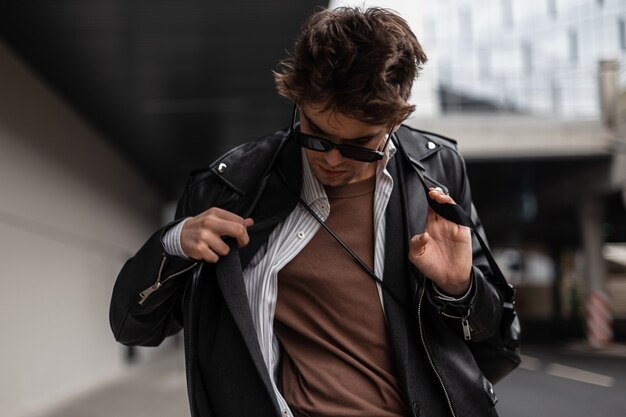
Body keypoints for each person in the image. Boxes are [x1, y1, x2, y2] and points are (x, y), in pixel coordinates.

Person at [110, 7, 508, 417]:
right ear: (297, 101)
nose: (333, 159)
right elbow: (133, 327)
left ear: (395, 120)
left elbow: (497, 335)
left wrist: (460, 287)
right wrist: (174, 243)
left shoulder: (437, 170)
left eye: (358, 145)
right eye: (316, 135)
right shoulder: (231, 188)